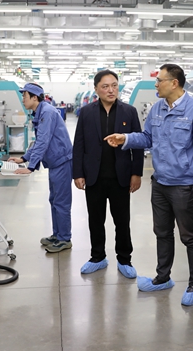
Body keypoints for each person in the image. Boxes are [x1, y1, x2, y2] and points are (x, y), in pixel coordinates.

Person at [105, 64, 193, 306]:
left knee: (189, 236)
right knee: (162, 232)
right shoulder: (157, 108)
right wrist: (125, 138)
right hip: (160, 182)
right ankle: (163, 277)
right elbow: (148, 138)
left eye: (159, 80)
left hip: (183, 184)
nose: (155, 84)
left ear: (174, 83)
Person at [73, 70, 144, 278]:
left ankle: (125, 259)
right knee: (95, 220)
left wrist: (136, 173)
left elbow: (138, 144)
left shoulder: (129, 112)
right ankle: (97, 257)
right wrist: (77, 173)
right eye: (105, 86)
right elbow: (79, 144)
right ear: (96, 89)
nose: (111, 90)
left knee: (122, 221)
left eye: (114, 85)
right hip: (94, 176)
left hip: (120, 177)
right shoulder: (86, 112)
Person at [9, 83, 73, 253]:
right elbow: (39, 141)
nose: (23, 99)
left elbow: (43, 141)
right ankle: (57, 234)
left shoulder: (47, 112)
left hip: (62, 162)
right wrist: (24, 158)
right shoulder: (40, 112)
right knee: (54, 200)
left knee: (61, 202)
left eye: (25, 96)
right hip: (55, 163)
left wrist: (30, 167)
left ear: (34, 97)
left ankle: (64, 238)